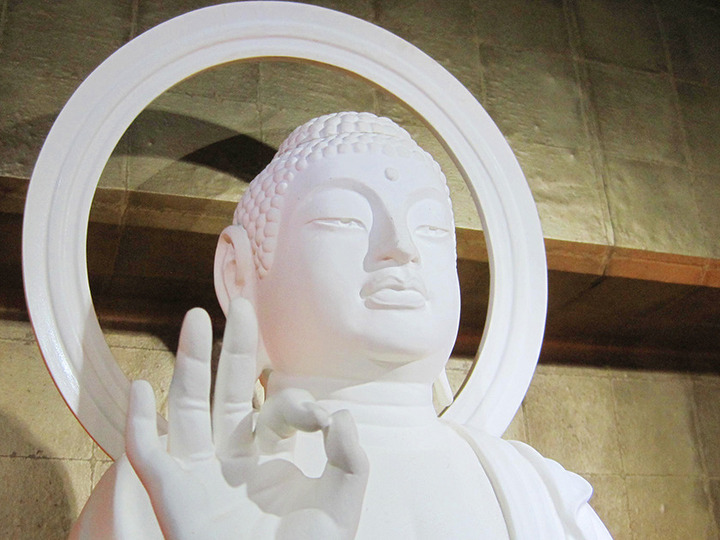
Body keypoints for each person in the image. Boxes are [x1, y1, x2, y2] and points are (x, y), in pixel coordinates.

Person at [71, 112, 612, 539]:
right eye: (344, 219)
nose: (399, 246)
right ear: (240, 274)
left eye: (430, 228)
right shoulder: (164, 492)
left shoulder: (543, 494)